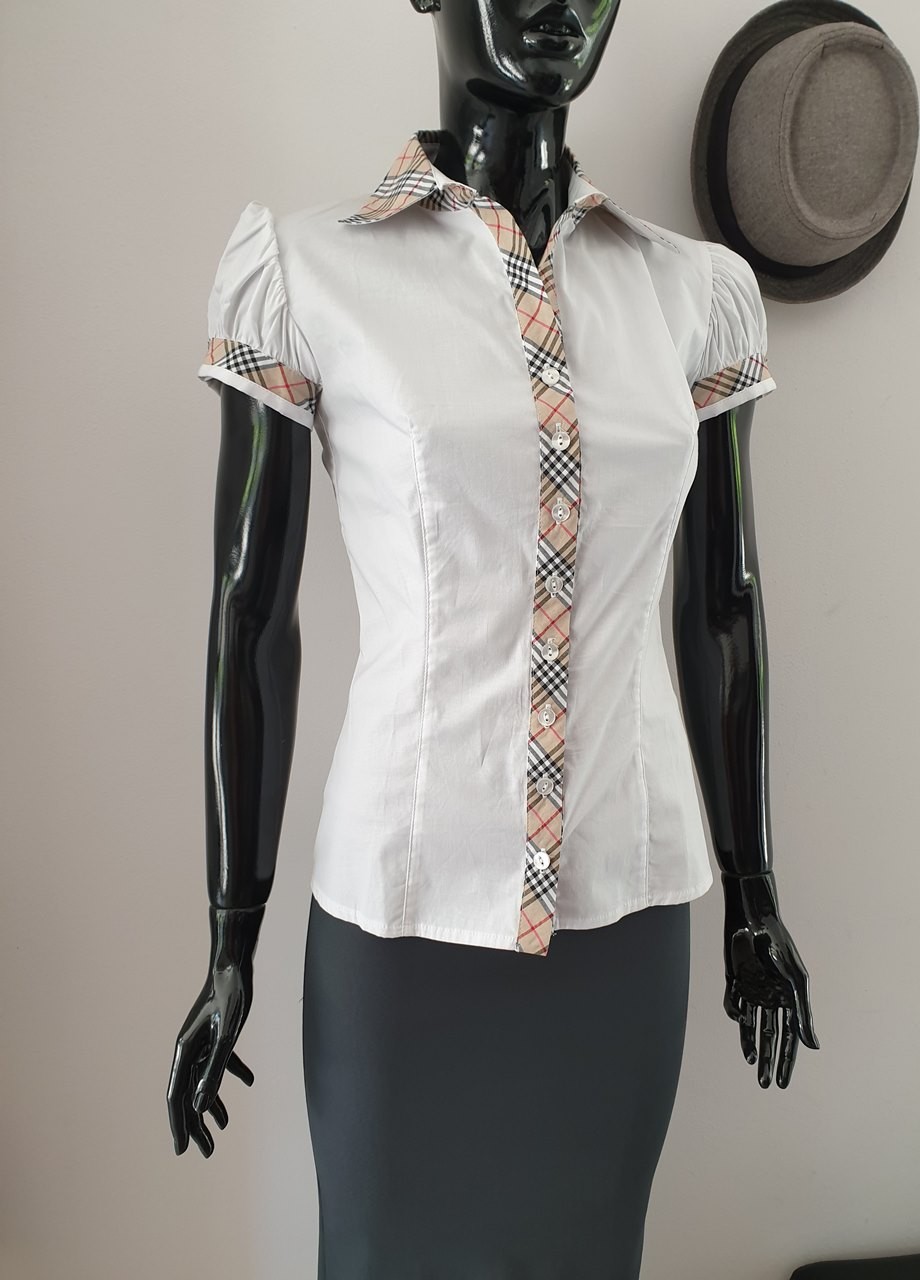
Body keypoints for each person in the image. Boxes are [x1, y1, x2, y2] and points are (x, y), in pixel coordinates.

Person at [167, 2, 819, 1276]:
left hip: (624, 905)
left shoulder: (692, 294)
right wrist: (229, 937)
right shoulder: (304, 272)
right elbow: (249, 617)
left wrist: (753, 892)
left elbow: (723, 605)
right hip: (403, 912)